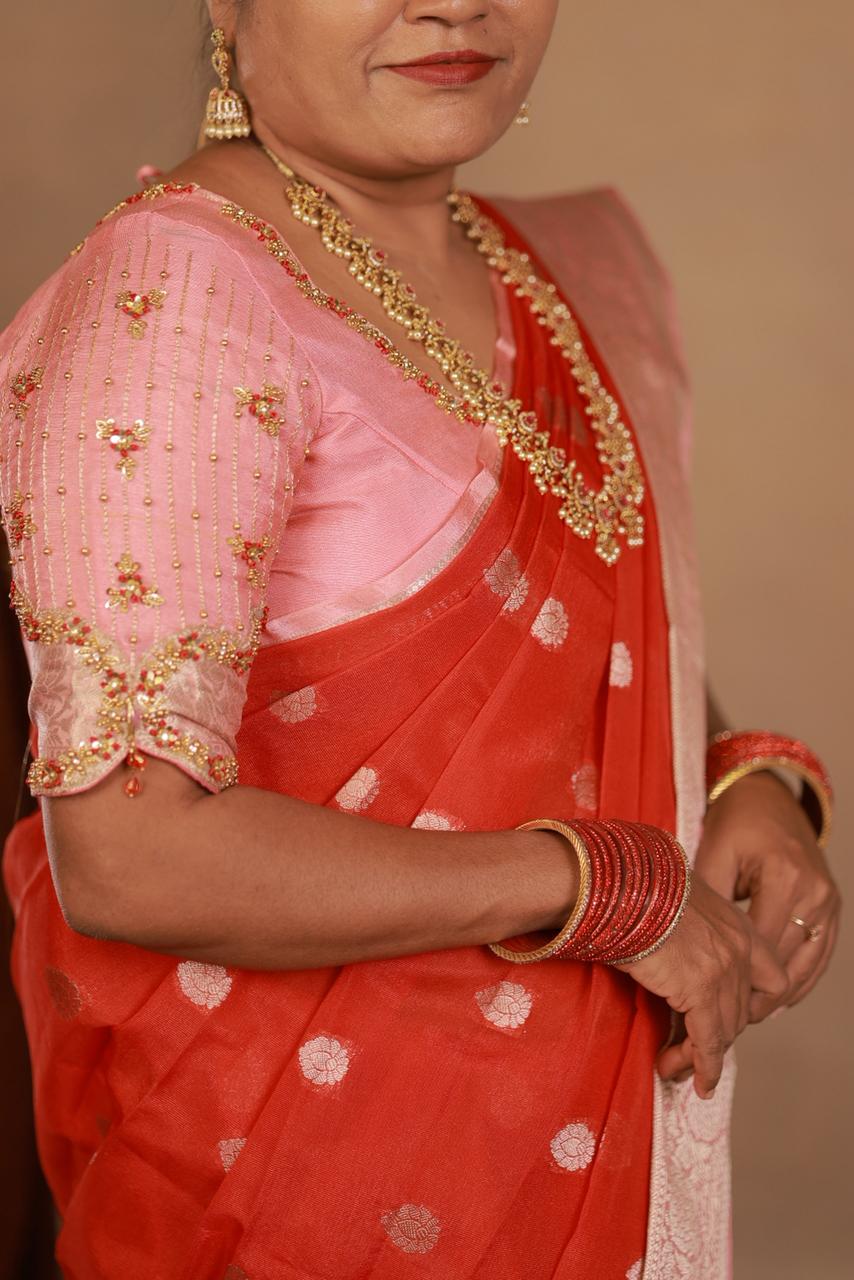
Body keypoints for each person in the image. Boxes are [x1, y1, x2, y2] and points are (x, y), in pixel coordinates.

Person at [0, 2, 840, 1277]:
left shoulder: (567, 268)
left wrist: (739, 775)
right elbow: (131, 854)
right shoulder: (174, 295)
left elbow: (576, 620)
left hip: (592, 1142)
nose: (453, 2)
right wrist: (598, 884)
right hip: (297, 1187)